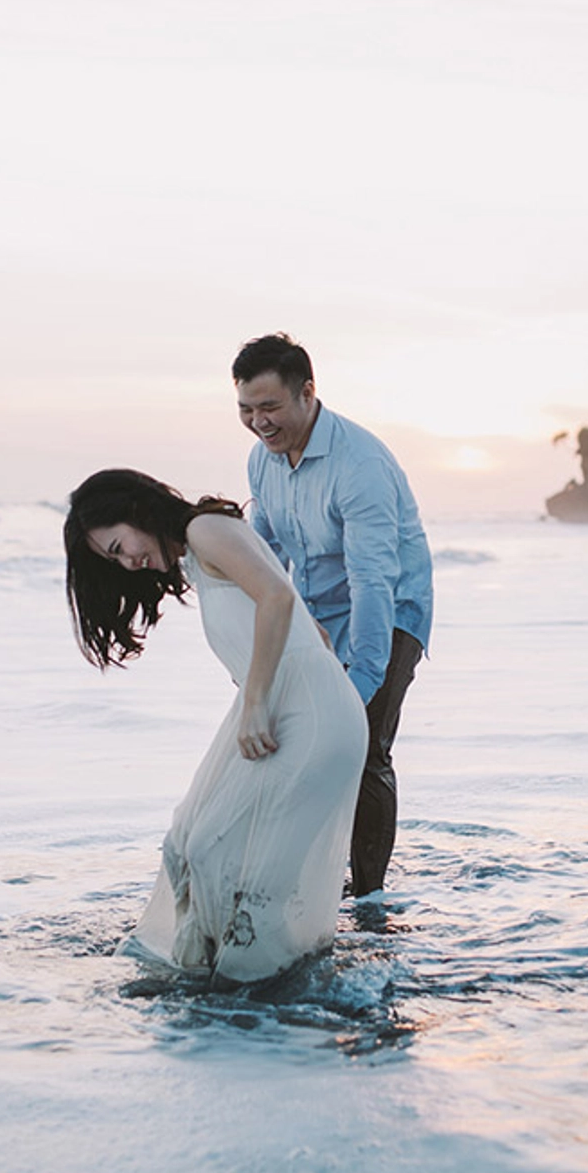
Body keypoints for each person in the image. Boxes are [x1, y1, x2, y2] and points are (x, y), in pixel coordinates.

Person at [64, 468, 367, 986]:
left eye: (119, 546)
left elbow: (279, 598)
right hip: (298, 710)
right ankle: (239, 987)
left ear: (137, 513)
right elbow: (312, 631)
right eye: (113, 560)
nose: (127, 562)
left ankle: (252, 996)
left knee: (223, 859)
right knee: (194, 847)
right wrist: (275, 692)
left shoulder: (206, 529)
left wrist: (258, 701)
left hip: (306, 717)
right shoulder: (199, 554)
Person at [232, 333, 433, 896]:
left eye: (270, 407)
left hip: (391, 611)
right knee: (300, 743)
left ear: (308, 394)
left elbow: (374, 580)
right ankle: (310, 880)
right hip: (318, 613)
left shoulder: (359, 464)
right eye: (246, 410)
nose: (259, 422)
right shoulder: (261, 460)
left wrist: (361, 685)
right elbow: (265, 554)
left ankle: (369, 896)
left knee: (364, 745)